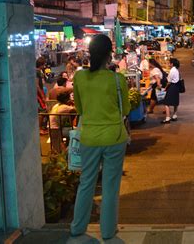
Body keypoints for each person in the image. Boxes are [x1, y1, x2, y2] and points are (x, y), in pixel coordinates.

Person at [70, 34, 130, 241]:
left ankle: (77, 227)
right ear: (109, 55)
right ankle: (107, 231)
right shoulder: (117, 79)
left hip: (89, 137)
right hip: (114, 137)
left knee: (86, 183)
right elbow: (127, 108)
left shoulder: (79, 77)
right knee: (110, 187)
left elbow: (79, 107)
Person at [162, 58, 180, 124]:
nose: (169, 64)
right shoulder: (176, 69)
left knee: (166, 102)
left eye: (169, 63)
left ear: (172, 64)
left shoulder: (172, 70)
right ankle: (174, 115)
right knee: (175, 102)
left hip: (172, 87)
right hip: (176, 87)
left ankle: (167, 118)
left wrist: (165, 88)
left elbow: (169, 81)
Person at [36, 57, 48, 135]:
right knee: (42, 110)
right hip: (38, 93)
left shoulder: (38, 71)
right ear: (41, 64)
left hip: (39, 92)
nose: (44, 66)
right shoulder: (37, 72)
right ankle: (40, 128)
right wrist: (42, 95)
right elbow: (37, 84)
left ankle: (40, 127)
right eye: (44, 64)